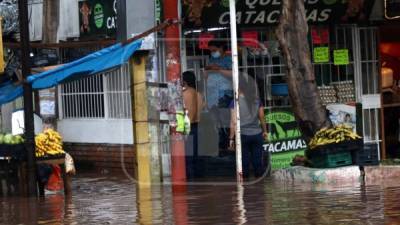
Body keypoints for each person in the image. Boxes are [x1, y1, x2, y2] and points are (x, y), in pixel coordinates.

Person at [229, 76, 268, 178]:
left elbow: (233, 122)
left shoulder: (235, 102)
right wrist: (265, 131)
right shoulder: (256, 100)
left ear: (238, 88)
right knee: (257, 161)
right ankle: (260, 187)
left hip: (242, 135)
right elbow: (262, 118)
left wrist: (231, 138)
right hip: (257, 134)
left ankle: (244, 189)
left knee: (244, 161)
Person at [204, 40, 233, 153]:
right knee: (216, 123)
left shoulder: (229, 59)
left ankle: (229, 145)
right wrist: (207, 71)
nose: (212, 52)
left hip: (224, 95)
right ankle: (220, 146)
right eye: (211, 51)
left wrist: (218, 69)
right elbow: (206, 76)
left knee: (225, 122)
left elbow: (233, 74)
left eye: (214, 50)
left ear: (221, 48)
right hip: (212, 97)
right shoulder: (212, 60)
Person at [182, 71, 204, 179]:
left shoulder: (185, 93)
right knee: (195, 154)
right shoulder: (199, 94)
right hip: (197, 126)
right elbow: (203, 107)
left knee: (187, 156)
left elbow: (185, 113)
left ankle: (189, 179)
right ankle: (197, 178)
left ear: (184, 81)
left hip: (187, 126)